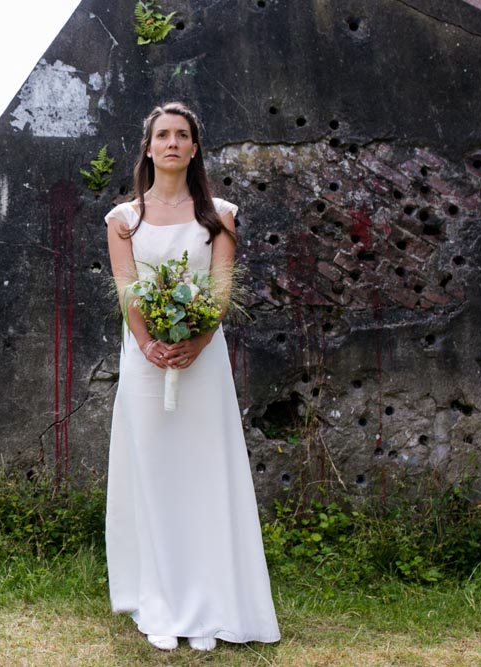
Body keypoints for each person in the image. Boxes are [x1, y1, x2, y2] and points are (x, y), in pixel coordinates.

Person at [104, 102, 280, 651]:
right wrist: (150, 343)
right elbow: (128, 289)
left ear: (195, 147)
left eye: (183, 135)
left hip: (203, 364)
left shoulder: (220, 215)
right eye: (163, 135)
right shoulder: (123, 220)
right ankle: (161, 603)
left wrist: (198, 341)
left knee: (204, 475)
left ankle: (208, 603)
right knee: (154, 476)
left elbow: (221, 289)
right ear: (149, 147)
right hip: (145, 363)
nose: (173, 143)